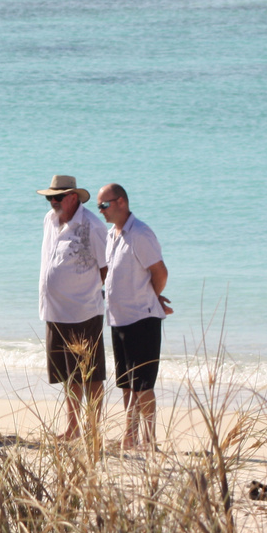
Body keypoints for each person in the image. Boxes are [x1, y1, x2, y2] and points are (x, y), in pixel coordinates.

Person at [98, 183, 171, 449]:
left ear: (120, 202)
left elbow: (160, 272)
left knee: (143, 384)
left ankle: (149, 441)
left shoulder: (140, 233)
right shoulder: (111, 235)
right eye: (98, 206)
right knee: (126, 385)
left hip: (143, 319)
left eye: (104, 205)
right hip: (118, 319)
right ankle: (131, 436)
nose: (101, 211)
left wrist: (152, 297)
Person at [38, 175, 109, 441]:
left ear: (73, 197)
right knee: (69, 375)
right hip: (54, 311)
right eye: (49, 198)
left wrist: (83, 290)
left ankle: (92, 429)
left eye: (57, 197)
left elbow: (106, 268)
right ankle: (72, 427)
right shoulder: (50, 220)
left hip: (83, 311)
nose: (52, 202)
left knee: (90, 373)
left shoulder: (93, 226)